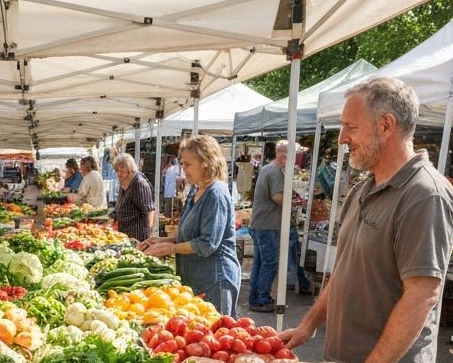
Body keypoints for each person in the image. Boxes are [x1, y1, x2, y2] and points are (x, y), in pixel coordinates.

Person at [282, 77, 453, 363]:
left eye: (350, 127)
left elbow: (422, 295)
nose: (342, 138)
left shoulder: (425, 196)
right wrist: (310, 324)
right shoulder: (365, 188)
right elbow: (343, 268)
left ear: (386, 125)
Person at [141, 135, 240, 316]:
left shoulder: (216, 194)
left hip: (216, 279)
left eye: (187, 164)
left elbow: (206, 243)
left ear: (205, 162)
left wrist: (170, 248)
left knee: (215, 334)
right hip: (195, 276)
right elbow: (188, 234)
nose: (183, 170)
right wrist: (159, 240)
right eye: (182, 164)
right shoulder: (196, 190)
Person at [247, 140, 311, 311]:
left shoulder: (267, 169)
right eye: (293, 155)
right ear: (284, 154)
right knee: (269, 263)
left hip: (261, 223)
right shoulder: (275, 172)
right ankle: (262, 298)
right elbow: (277, 197)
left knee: (260, 263)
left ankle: (255, 298)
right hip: (268, 225)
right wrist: (294, 203)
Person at [112, 152, 154, 242]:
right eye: (117, 171)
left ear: (130, 169)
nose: (119, 174)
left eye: (121, 170)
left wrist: (147, 239)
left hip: (137, 237)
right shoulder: (124, 182)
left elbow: (149, 211)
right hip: (125, 235)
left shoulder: (139, 184)